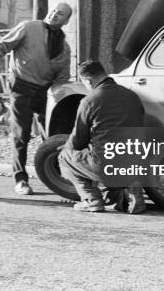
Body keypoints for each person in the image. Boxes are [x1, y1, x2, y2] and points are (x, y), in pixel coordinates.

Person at [0, 3, 72, 195]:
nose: (54, 14)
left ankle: (55, 176)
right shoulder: (29, 27)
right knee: (21, 135)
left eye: (60, 14)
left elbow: (62, 78)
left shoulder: (64, 47)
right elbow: (2, 45)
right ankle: (20, 179)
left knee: (52, 136)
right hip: (22, 87)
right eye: (54, 10)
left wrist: (59, 97)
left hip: (45, 92)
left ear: (66, 21)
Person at [58, 60, 146, 213]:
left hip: (107, 165)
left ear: (88, 81)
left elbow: (78, 140)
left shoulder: (90, 101)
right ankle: (129, 192)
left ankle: (92, 200)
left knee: (65, 157)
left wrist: (65, 149)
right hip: (136, 162)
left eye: (84, 83)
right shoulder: (132, 96)